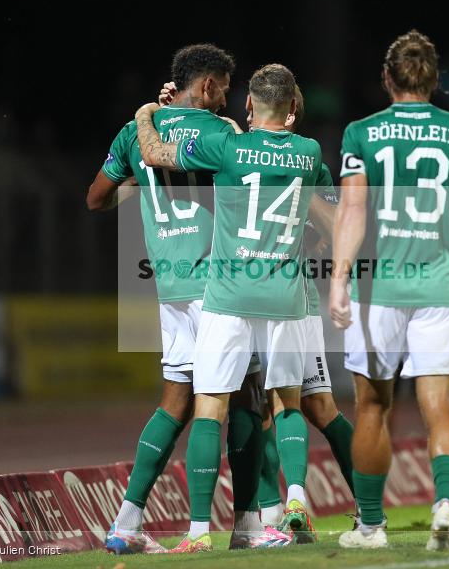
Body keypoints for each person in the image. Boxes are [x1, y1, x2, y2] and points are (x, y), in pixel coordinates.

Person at [87, 43, 281, 553]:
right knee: (243, 396)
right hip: (217, 284)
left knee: (176, 401)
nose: (226, 99)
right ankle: (245, 527)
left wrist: (144, 179)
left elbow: (96, 198)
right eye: (224, 89)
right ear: (208, 85)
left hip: (168, 286)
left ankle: (126, 523)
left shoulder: (135, 132)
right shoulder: (221, 133)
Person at [329, 30, 449, 551]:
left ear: (387, 77)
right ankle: (445, 504)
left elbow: (353, 211)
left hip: (378, 290)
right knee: (440, 409)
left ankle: (370, 527)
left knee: (372, 408)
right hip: (438, 288)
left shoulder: (361, 133)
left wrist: (338, 279)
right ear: (435, 80)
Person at [136, 63, 325, 552]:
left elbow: (154, 153)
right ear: (293, 108)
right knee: (285, 402)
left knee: (210, 406)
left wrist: (147, 113)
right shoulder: (309, 152)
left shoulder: (227, 147)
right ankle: (296, 499)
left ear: (247, 104)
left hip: (228, 293)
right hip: (284, 293)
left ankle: (199, 532)